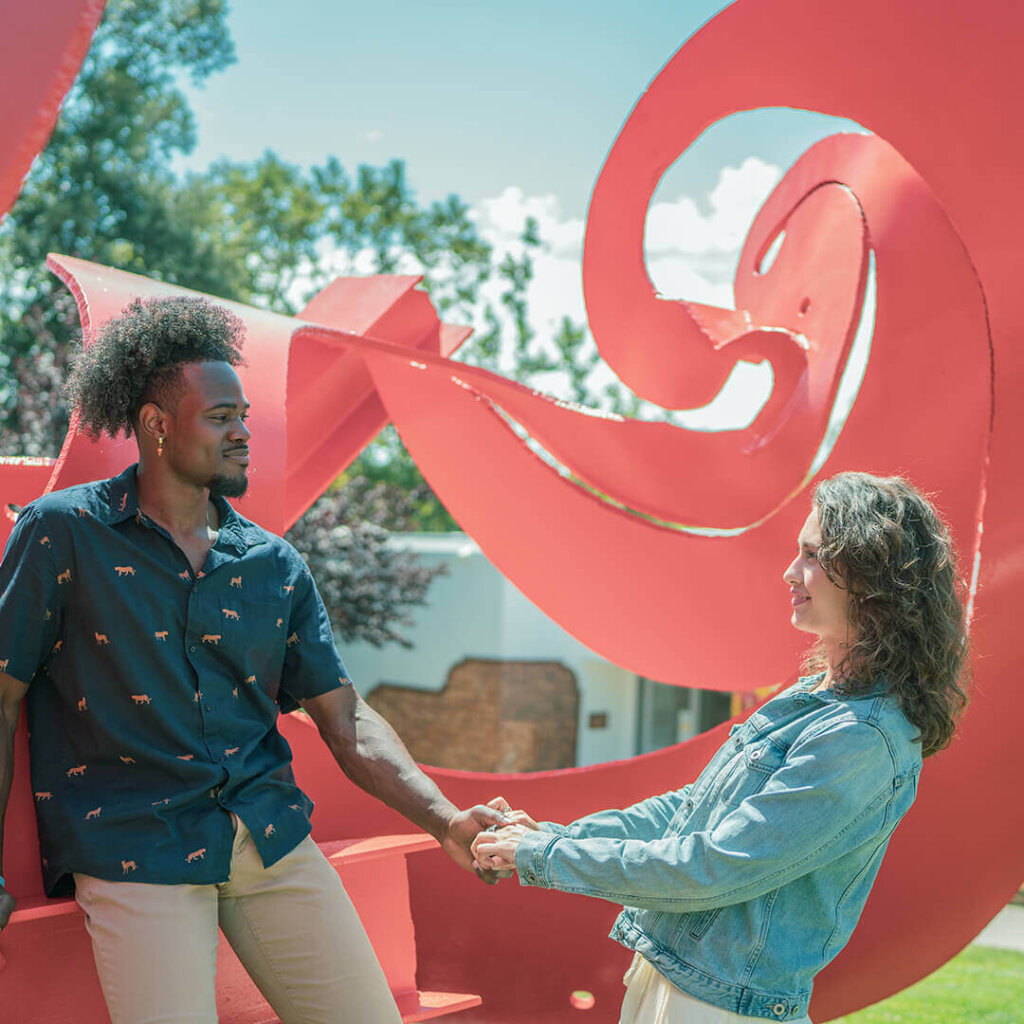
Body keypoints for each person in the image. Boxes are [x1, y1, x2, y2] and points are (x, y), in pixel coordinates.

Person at [0, 296, 506, 1024]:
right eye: (220, 417)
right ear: (156, 425)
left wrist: (445, 819)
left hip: (269, 836)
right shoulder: (63, 534)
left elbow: (348, 719)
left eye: (244, 415)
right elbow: (3, 698)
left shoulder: (273, 565)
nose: (243, 434)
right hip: (136, 847)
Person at [474, 473, 970, 1024]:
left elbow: (712, 867)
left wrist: (542, 855)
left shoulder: (859, 738)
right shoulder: (814, 699)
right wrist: (555, 836)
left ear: (868, 576)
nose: (790, 572)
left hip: (721, 1009)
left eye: (811, 555)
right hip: (674, 982)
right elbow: (689, 812)